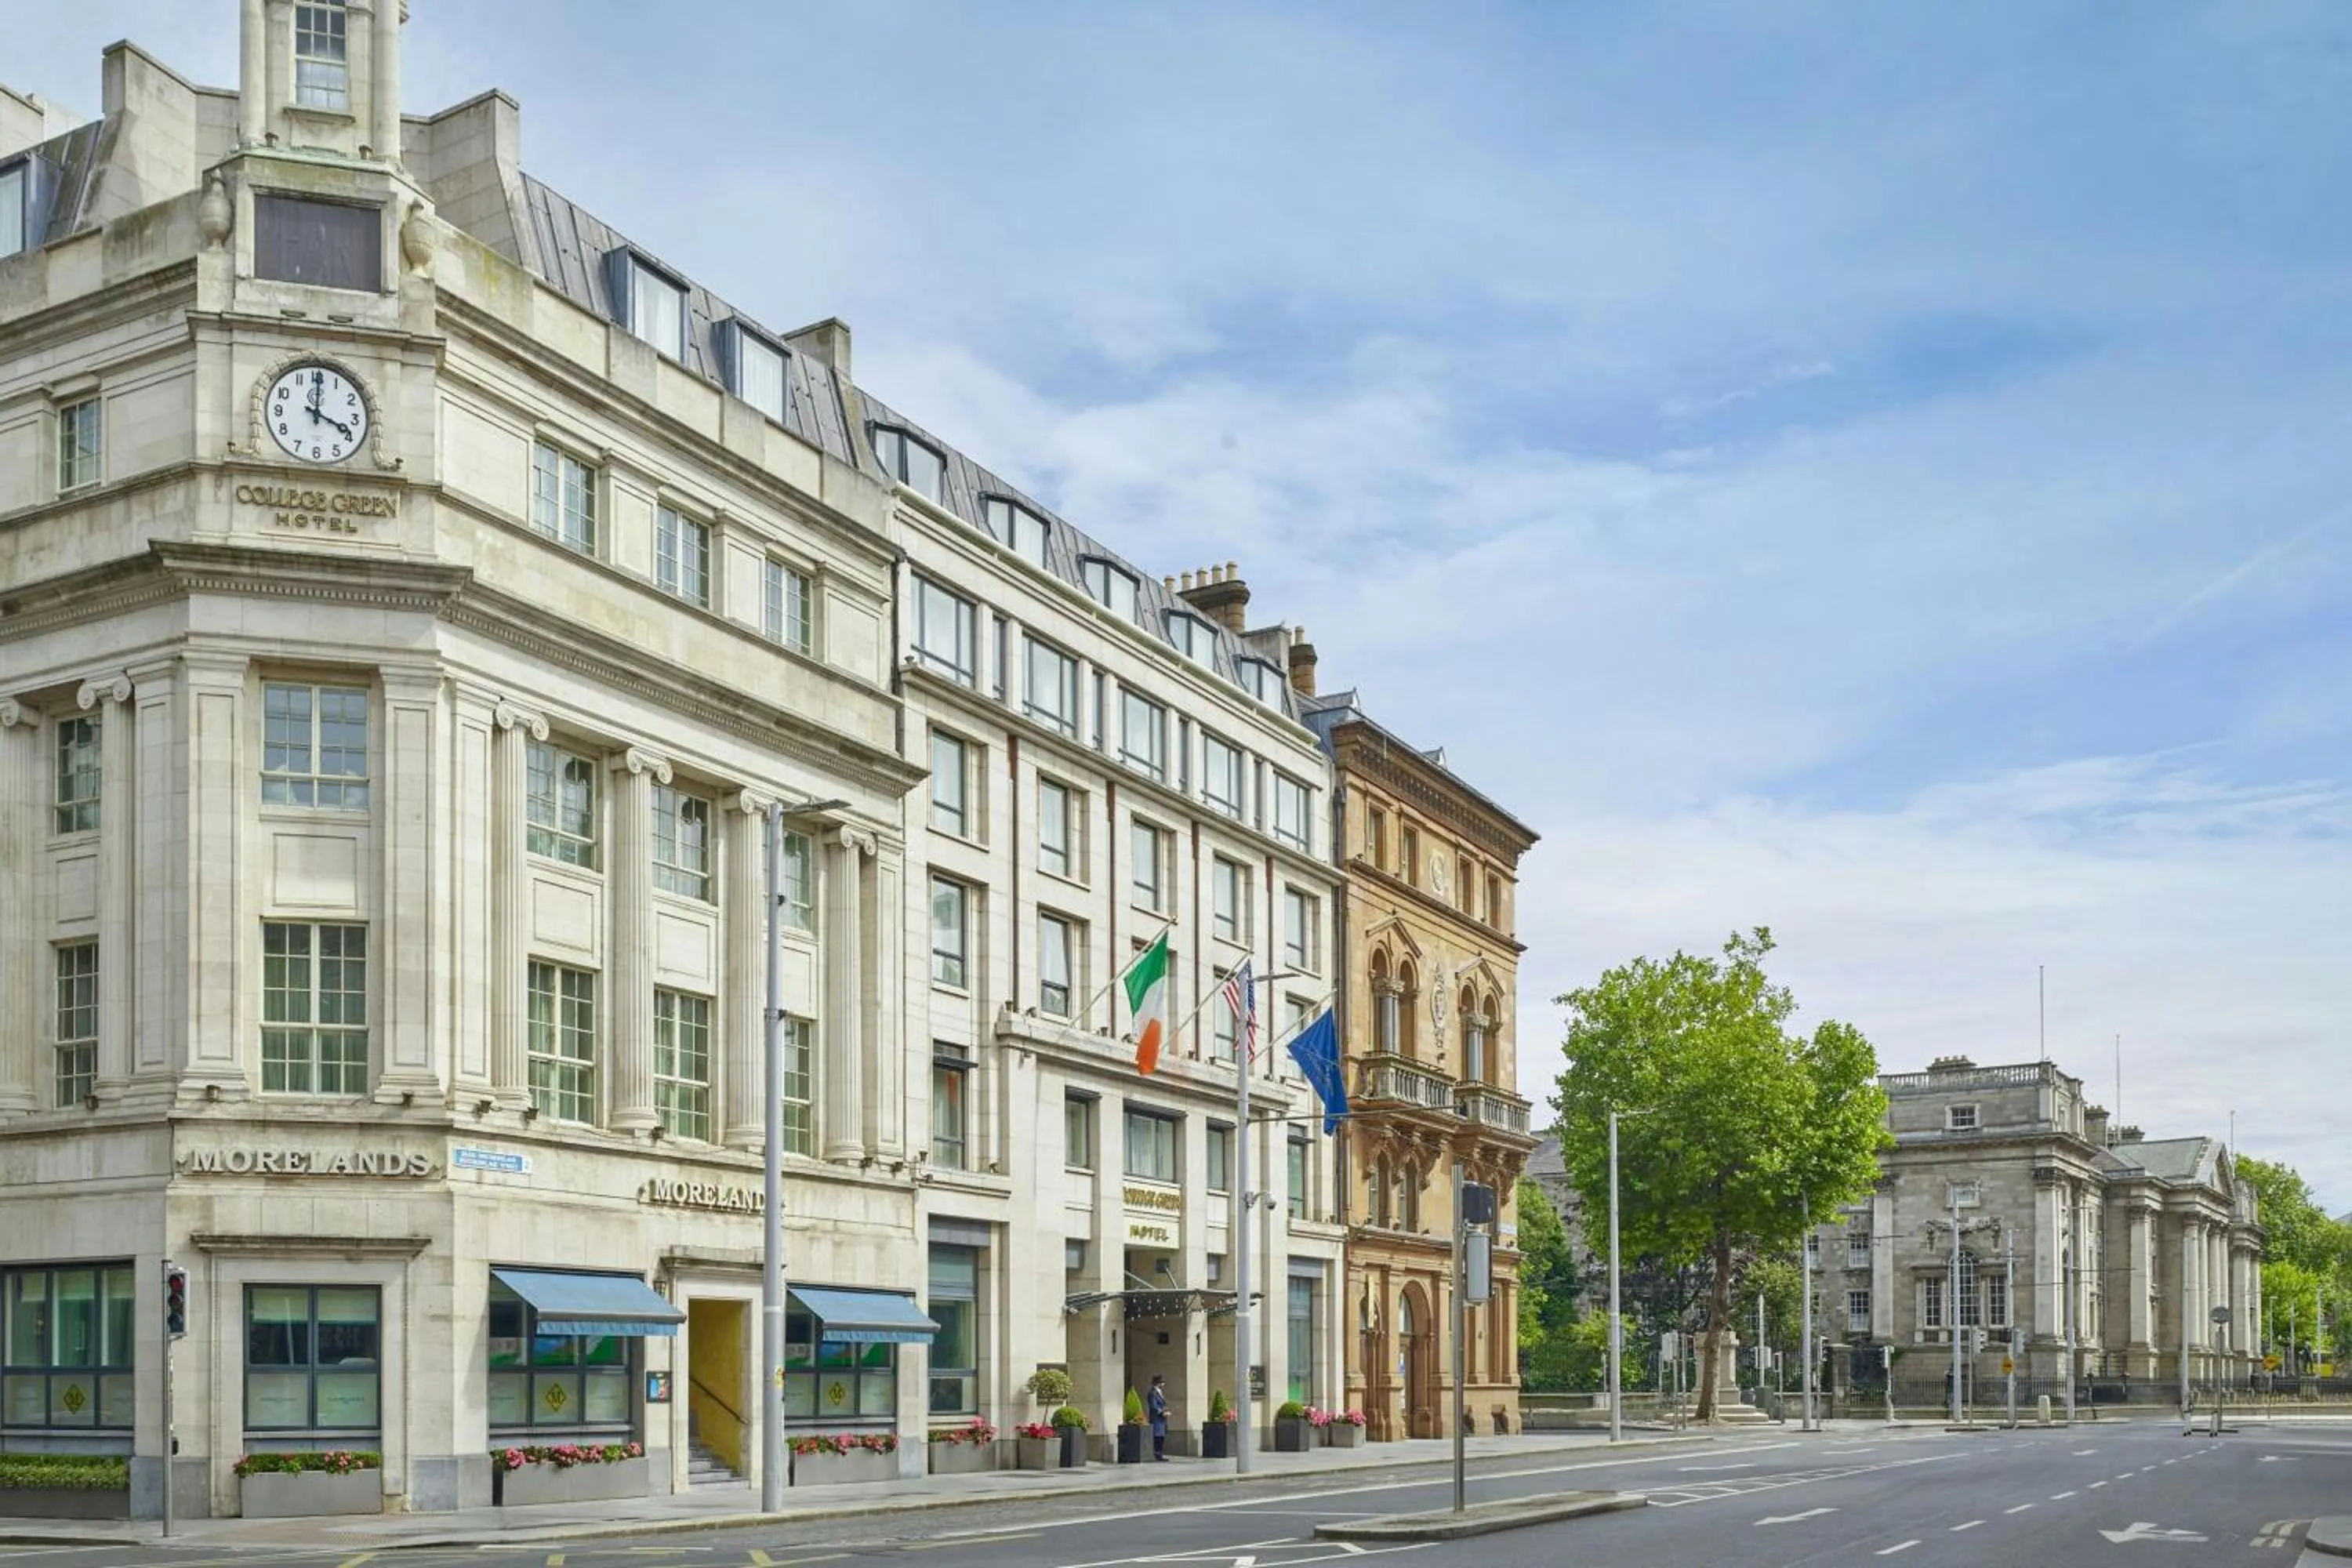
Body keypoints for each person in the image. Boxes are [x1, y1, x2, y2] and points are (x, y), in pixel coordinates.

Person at [1147, 1374, 1170, 1461]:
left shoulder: (1160, 1392)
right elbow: (1153, 1406)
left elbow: (1163, 1404)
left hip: (1162, 1419)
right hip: (1157, 1419)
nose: (1163, 1384)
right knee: (1157, 1437)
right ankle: (1157, 1454)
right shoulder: (1152, 1393)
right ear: (1157, 1383)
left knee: (1161, 1437)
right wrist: (1161, 1412)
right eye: (1161, 1383)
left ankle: (1160, 1454)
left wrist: (1166, 1410)